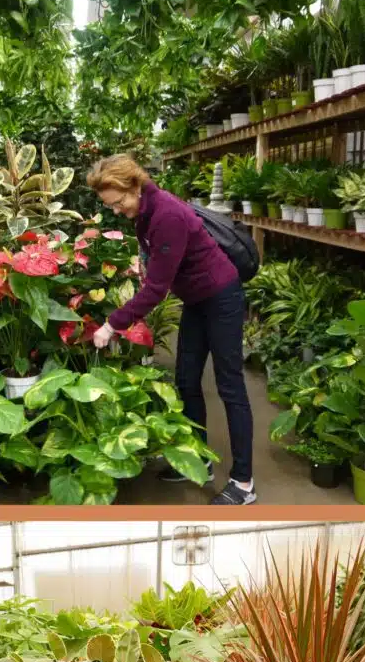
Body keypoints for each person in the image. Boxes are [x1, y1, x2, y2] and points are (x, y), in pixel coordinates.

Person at [86, 155, 255, 505]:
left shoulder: (166, 215)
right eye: (110, 205)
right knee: (187, 380)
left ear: (134, 186)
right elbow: (157, 263)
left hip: (221, 298)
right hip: (196, 300)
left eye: (118, 203)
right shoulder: (144, 213)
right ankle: (199, 461)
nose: (116, 210)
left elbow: (155, 292)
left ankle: (243, 482)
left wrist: (111, 325)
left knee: (230, 385)